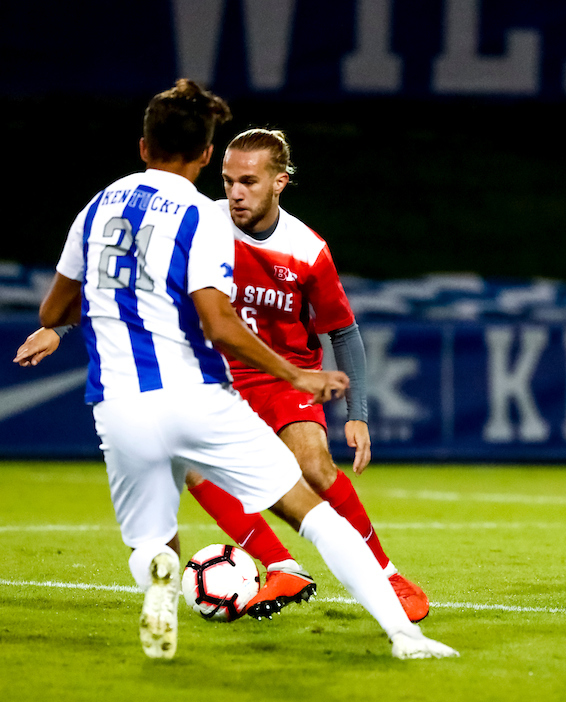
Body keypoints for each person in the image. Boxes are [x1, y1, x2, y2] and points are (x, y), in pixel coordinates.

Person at [31, 79, 456, 660]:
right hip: (208, 387)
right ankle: (379, 623)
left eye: (248, 181)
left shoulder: (100, 206)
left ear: (141, 145)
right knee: (296, 507)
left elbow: (61, 305)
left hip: (125, 403)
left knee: (177, 526)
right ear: (208, 158)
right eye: (228, 178)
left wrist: (59, 327)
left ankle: (168, 573)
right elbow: (219, 323)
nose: (234, 193)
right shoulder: (201, 219)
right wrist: (303, 376)